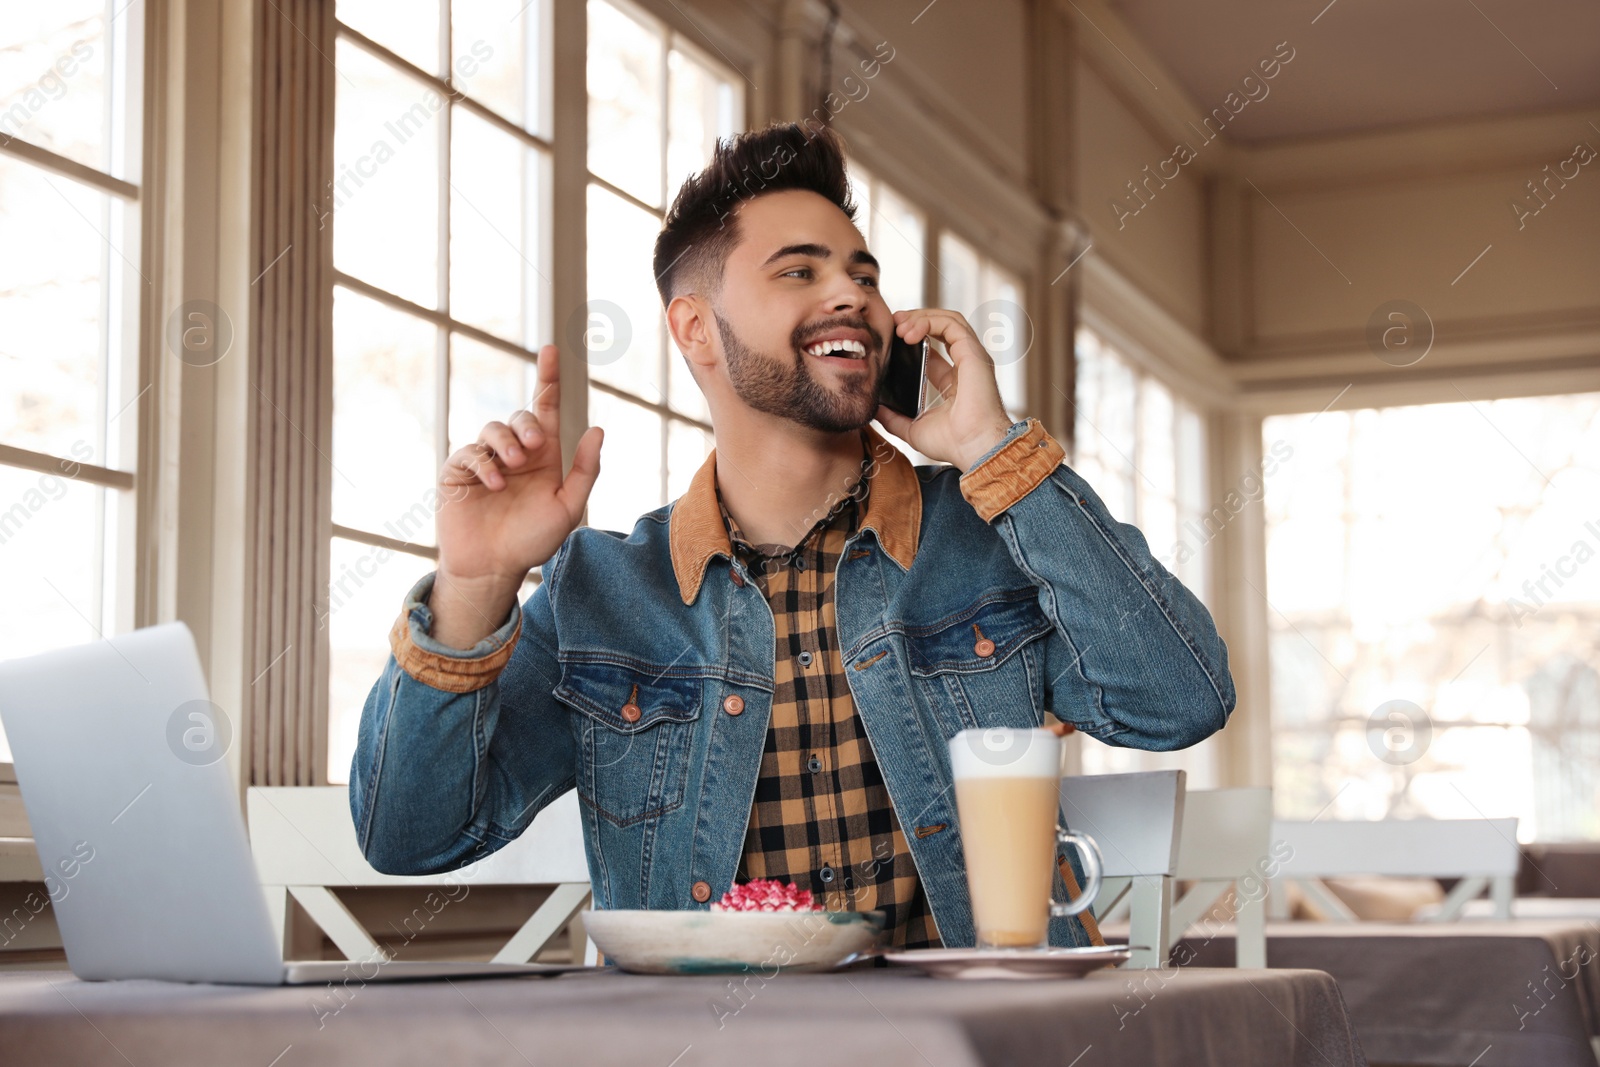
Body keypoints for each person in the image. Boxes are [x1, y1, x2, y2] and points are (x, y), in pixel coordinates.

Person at [349, 122, 1235, 951]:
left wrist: (993, 452)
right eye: (799, 272)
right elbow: (408, 838)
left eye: (864, 273)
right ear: (695, 327)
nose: (853, 293)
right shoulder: (602, 593)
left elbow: (1181, 698)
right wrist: (474, 583)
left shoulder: (990, 530)